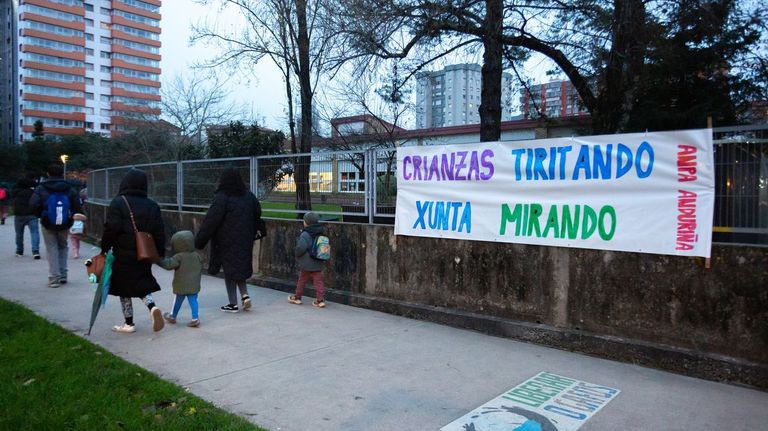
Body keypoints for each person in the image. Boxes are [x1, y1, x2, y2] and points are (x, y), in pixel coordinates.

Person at [100, 168, 166, 333]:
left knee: (124, 289)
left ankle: (128, 323)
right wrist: (159, 252)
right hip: (143, 253)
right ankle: (152, 307)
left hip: (122, 253)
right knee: (141, 284)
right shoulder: (152, 205)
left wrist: (105, 247)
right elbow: (159, 231)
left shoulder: (119, 202)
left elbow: (111, 229)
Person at [195, 169, 264, 313]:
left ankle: (232, 303)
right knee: (239, 267)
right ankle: (245, 295)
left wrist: (199, 241)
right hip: (245, 238)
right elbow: (258, 212)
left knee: (230, 271)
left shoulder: (222, 196)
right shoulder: (249, 196)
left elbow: (211, 220)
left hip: (225, 239)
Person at [30, 165, 83, 288]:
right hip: (65, 223)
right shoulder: (69, 188)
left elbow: (33, 204)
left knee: (51, 248)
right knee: (63, 246)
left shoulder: (41, 188)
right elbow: (76, 206)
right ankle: (63, 275)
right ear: (62, 174)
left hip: (47, 222)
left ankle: (54, 278)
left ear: (48, 173)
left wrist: (41, 214)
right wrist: (72, 216)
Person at [158, 231, 203, 328]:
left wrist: (159, 260)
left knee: (177, 301)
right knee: (193, 300)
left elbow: (169, 265)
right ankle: (195, 318)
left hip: (181, 285)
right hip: (194, 284)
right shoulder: (196, 255)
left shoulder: (179, 257)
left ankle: (173, 316)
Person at [288, 212, 327, 308]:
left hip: (307, 263)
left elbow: (301, 247)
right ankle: (320, 300)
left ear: (307, 222)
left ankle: (297, 297)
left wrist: (296, 254)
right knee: (318, 281)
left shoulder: (305, 234)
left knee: (302, 280)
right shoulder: (321, 232)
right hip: (318, 260)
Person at [12, 177, 40, 259]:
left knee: (19, 233)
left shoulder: (16, 193)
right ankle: (35, 251)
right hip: (32, 214)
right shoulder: (33, 192)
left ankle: (19, 250)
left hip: (19, 215)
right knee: (34, 232)